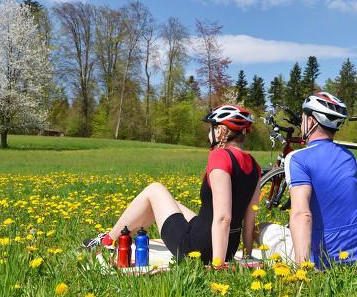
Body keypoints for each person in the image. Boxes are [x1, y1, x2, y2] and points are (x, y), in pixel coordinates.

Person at [83, 104, 262, 265]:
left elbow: (223, 218)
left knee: (154, 190)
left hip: (198, 249)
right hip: (227, 248)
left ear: (221, 131)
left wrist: (217, 264)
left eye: (211, 128)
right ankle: (122, 238)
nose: (209, 134)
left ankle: (107, 241)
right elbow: (249, 218)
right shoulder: (255, 166)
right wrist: (246, 254)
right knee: (171, 204)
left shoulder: (220, 156)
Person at [258, 92, 357, 271]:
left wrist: (301, 270)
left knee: (261, 228)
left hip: (326, 262)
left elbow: (302, 215)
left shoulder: (297, 159)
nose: (301, 122)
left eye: (303, 117)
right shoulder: (348, 156)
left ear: (312, 121)